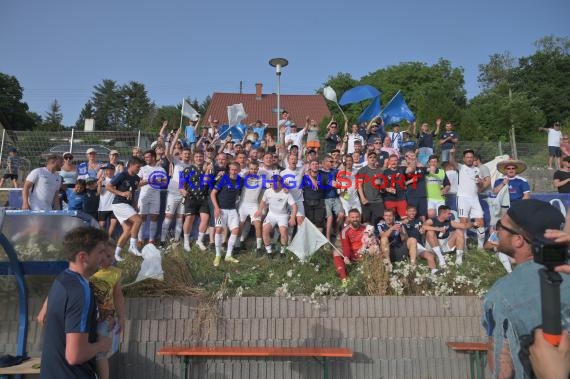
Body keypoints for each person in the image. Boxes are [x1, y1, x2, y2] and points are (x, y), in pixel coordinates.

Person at [481, 199, 570, 378]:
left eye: (500, 226)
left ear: (518, 240)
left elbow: (503, 370)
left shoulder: (501, 294)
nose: (496, 231)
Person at [39, 226, 112, 379]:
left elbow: (43, 318)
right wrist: (101, 345)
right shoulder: (81, 291)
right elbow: (75, 355)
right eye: (100, 252)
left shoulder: (62, 279)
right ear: (83, 257)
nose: (103, 257)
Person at [89, 240, 125, 379]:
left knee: (100, 352)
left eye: (113, 256)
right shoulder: (88, 271)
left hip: (104, 318)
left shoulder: (114, 273)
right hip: (88, 318)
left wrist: (121, 317)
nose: (112, 260)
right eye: (109, 256)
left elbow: (118, 296)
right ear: (99, 254)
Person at [106, 157, 144, 261]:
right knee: (138, 220)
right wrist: (122, 193)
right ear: (131, 165)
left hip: (126, 205)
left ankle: (116, 254)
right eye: (137, 167)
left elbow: (132, 194)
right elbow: (108, 186)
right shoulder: (122, 174)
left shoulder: (136, 178)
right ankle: (132, 247)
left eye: (140, 167)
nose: (139, 169)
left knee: (127, 230)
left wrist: (135, 205)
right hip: (119, 204)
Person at [450, 149, 486, 252]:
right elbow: (452, 162)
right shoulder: (461, 167)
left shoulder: (477, 170)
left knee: (480, 221)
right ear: (464, 159)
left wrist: (480, 182)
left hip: (474, 199)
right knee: (463, 222)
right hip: (463, 198)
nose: (469, 159)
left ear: (473, 158)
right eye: (467, 157)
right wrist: (451, 154)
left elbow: (480, 186)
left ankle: (480, 247)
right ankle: (463, 246)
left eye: (471, 157)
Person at [255, 175, 297, 257]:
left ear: (280, 183)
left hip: (283, 215)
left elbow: (294, 206)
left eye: (274, 183)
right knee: (265, 230)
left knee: (284, 231)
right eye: (271, 183)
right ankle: (269, 252)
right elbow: (263, 202)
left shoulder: (286, 193)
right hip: (271, 214)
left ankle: (282, 252)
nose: (272, 184)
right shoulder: (268, 191)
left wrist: (292, 218)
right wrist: (259, 210)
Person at [210, 162, 242, 267]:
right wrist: (216, 208)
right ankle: (218, 255)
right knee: (218, 229)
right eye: (232, 169)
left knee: (235, 230)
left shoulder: (240, 180)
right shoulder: (223, 178)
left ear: (239, 170)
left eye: (235, 169)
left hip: (232, 210)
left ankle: (228, 255)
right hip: (221, 209)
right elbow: (213, 194)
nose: (233, 171)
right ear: (229, 170)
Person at [137, 149, 165, 246]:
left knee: (154, 217)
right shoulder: (142, 169)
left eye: (148, 157)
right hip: (143, 196)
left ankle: (151, 240)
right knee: (142, 217)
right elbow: (137, 183)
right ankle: (140, 239)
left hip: (155, 197)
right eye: (145, 157)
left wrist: (159, 182)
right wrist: (149, 180)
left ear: (153, 157)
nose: (146, 159)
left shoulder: (160, 169)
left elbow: (165, 183)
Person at [336, 208, 368, 287]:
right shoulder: (344, 231)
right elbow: (345, 246)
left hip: (364, 252)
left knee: (374, 248)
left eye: (357, 217)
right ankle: (344, 278)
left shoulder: (365, 228)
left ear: (360, 217)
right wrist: (346, 256)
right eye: (352, 217)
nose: (355, 219)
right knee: (336, 252)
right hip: (351, 254)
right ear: (349, 218)